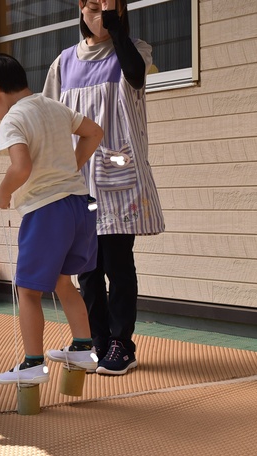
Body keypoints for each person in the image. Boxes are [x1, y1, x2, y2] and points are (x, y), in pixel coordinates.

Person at [43, 0, 165, 375]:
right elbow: (49, 117)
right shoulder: (63, 62)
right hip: (78, 177)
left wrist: (116, 29)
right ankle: (96, 341)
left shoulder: (135, 49)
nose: (98, 12)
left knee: (117, 262)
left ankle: (121, 344)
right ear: (81, 8)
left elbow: (136, 76)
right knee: (86, 266)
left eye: (107, 6)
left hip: (118, 173)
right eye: (92, 5)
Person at [0, 53, 104, 384]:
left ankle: (32, 364)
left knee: (28, 291)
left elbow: (21, 167)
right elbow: (94, 132)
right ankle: (84, 348)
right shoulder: (53, 106)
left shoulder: (13, 120)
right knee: (63, 282)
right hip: (78, 206)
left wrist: (3, 193)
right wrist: (72, 167)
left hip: (46, 212)